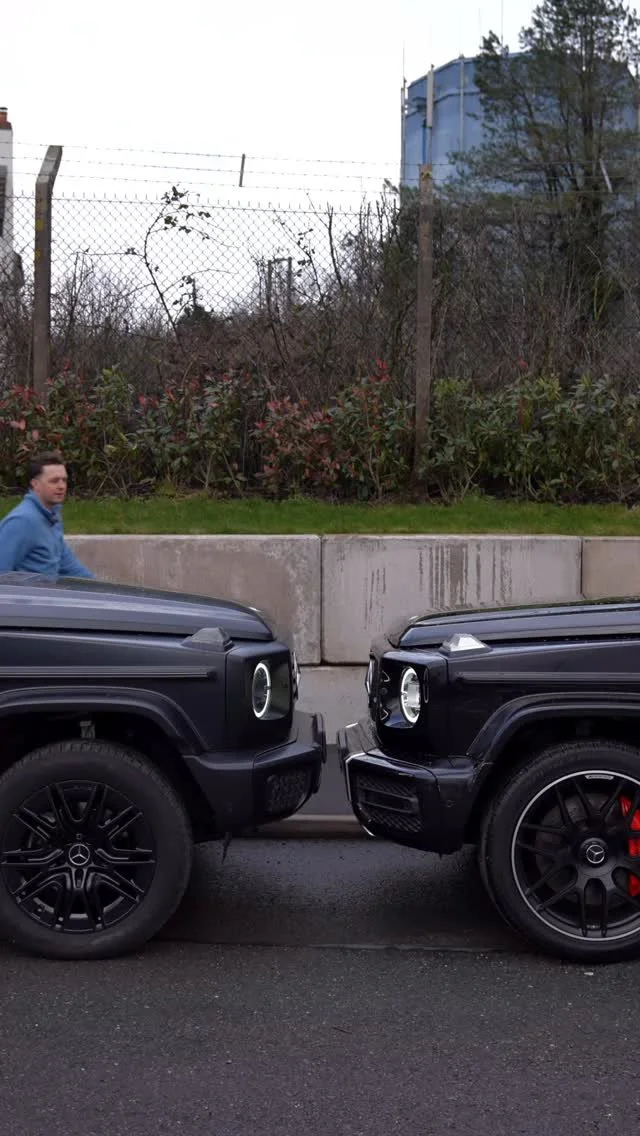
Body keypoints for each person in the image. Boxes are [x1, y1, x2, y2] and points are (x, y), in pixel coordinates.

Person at [0, 452, 94, 579]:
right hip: (29, 592)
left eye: (64, 480)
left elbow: (68, 564)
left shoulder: (52, 516)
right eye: (54, 481)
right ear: (35, 484)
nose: (61, 486)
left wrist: (99, 588)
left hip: (50, 591)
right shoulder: (22, 521)